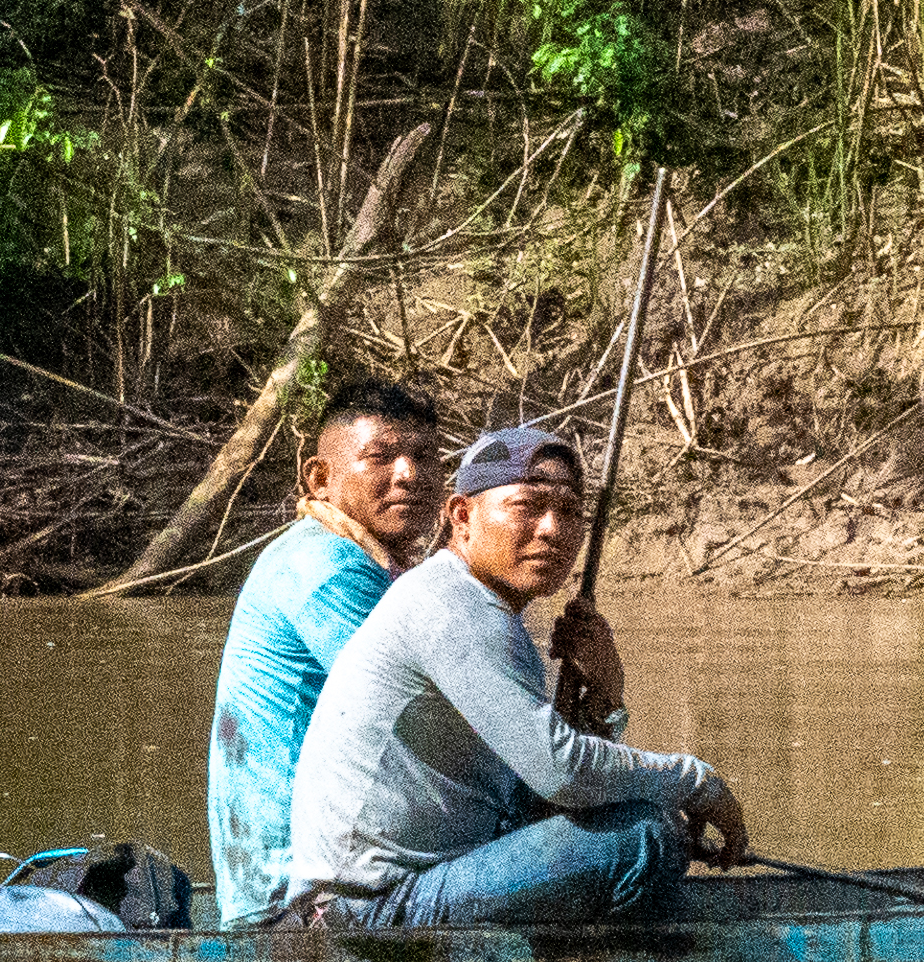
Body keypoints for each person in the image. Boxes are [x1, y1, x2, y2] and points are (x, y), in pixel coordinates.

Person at [275, 423, 747, 929]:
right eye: (526, 507)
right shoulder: (447, 606)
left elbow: (541, 802)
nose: (551, 529)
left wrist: (606, 699)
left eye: (568, 512)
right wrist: (695, 783)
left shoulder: (492, 615)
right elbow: (560, 772)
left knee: (643, 818)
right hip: (364, 909)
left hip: (415, 887)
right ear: (462, 517)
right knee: (646, 835)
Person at [201, 375, 444, 919]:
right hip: (294, 899)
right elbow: (443, 724)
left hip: (317, 876)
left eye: (424, 457)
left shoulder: (361, 563)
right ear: (320, 478)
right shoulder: (326, 568)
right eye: (380, 457)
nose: (408, 475)